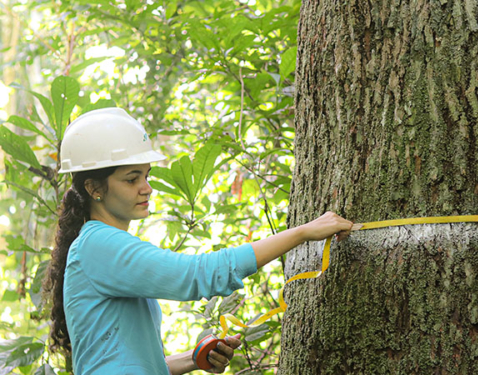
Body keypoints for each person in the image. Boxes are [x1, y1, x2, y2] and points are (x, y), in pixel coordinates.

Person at [43, 107, 354, 374]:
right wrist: (302, 232)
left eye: (147, 175)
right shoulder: (99, 245)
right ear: (95, 187)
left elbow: (129, 362)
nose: (147, 187)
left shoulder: (99, 246)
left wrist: (192, 359)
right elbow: (197, 275)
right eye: (131, 178)